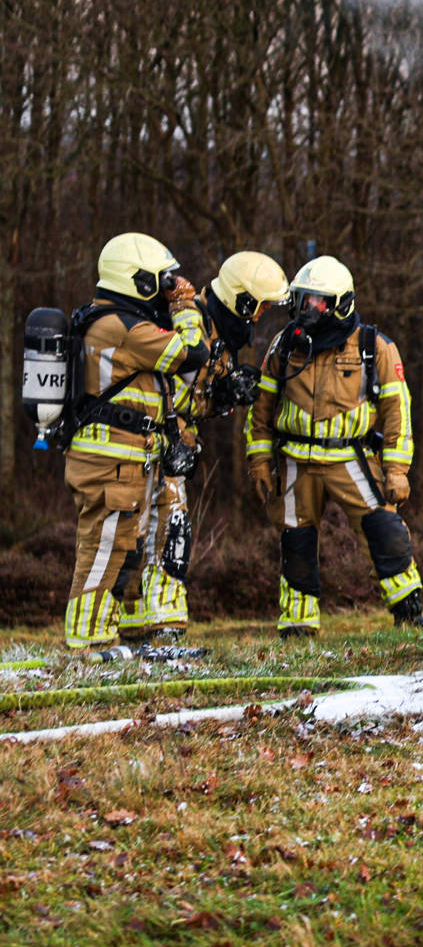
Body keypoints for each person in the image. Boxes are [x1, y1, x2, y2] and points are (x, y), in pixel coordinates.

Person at [245, 256, 423, 636]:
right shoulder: (285, 345)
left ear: (341, 304)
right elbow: (261, 409)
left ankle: (408, 611)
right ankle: (298, 625)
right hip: (296, 459)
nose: (306, 310)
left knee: (383, 528)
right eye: (302, 300)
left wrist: (396, 471)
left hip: (350, 456)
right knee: (296, 540)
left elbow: (398, 410)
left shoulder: (373, 346)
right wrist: (260, 461)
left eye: (317, 302)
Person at [119, 252, 290, 644]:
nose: (261, 315)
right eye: (259, 306)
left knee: (164, 532)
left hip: (169, 447)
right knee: (146, 533)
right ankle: (143, 631)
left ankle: (156, 630)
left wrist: (227, 393)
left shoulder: (220, 335)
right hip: (148, 443)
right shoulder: (189, 321)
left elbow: (194, 397)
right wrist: (172, 438)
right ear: (241, 301)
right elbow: (161, 387)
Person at [63, 233, 208, 653]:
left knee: (118, 547)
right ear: (138, 281)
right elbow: (192, 354)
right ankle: (88, 642)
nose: (167, 288)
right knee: (103, 546)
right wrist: (186, 309)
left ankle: (100, 635)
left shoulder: (108, 320)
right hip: (113, 458)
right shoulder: (126, 328)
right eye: (161, 281)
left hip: (119, 456)